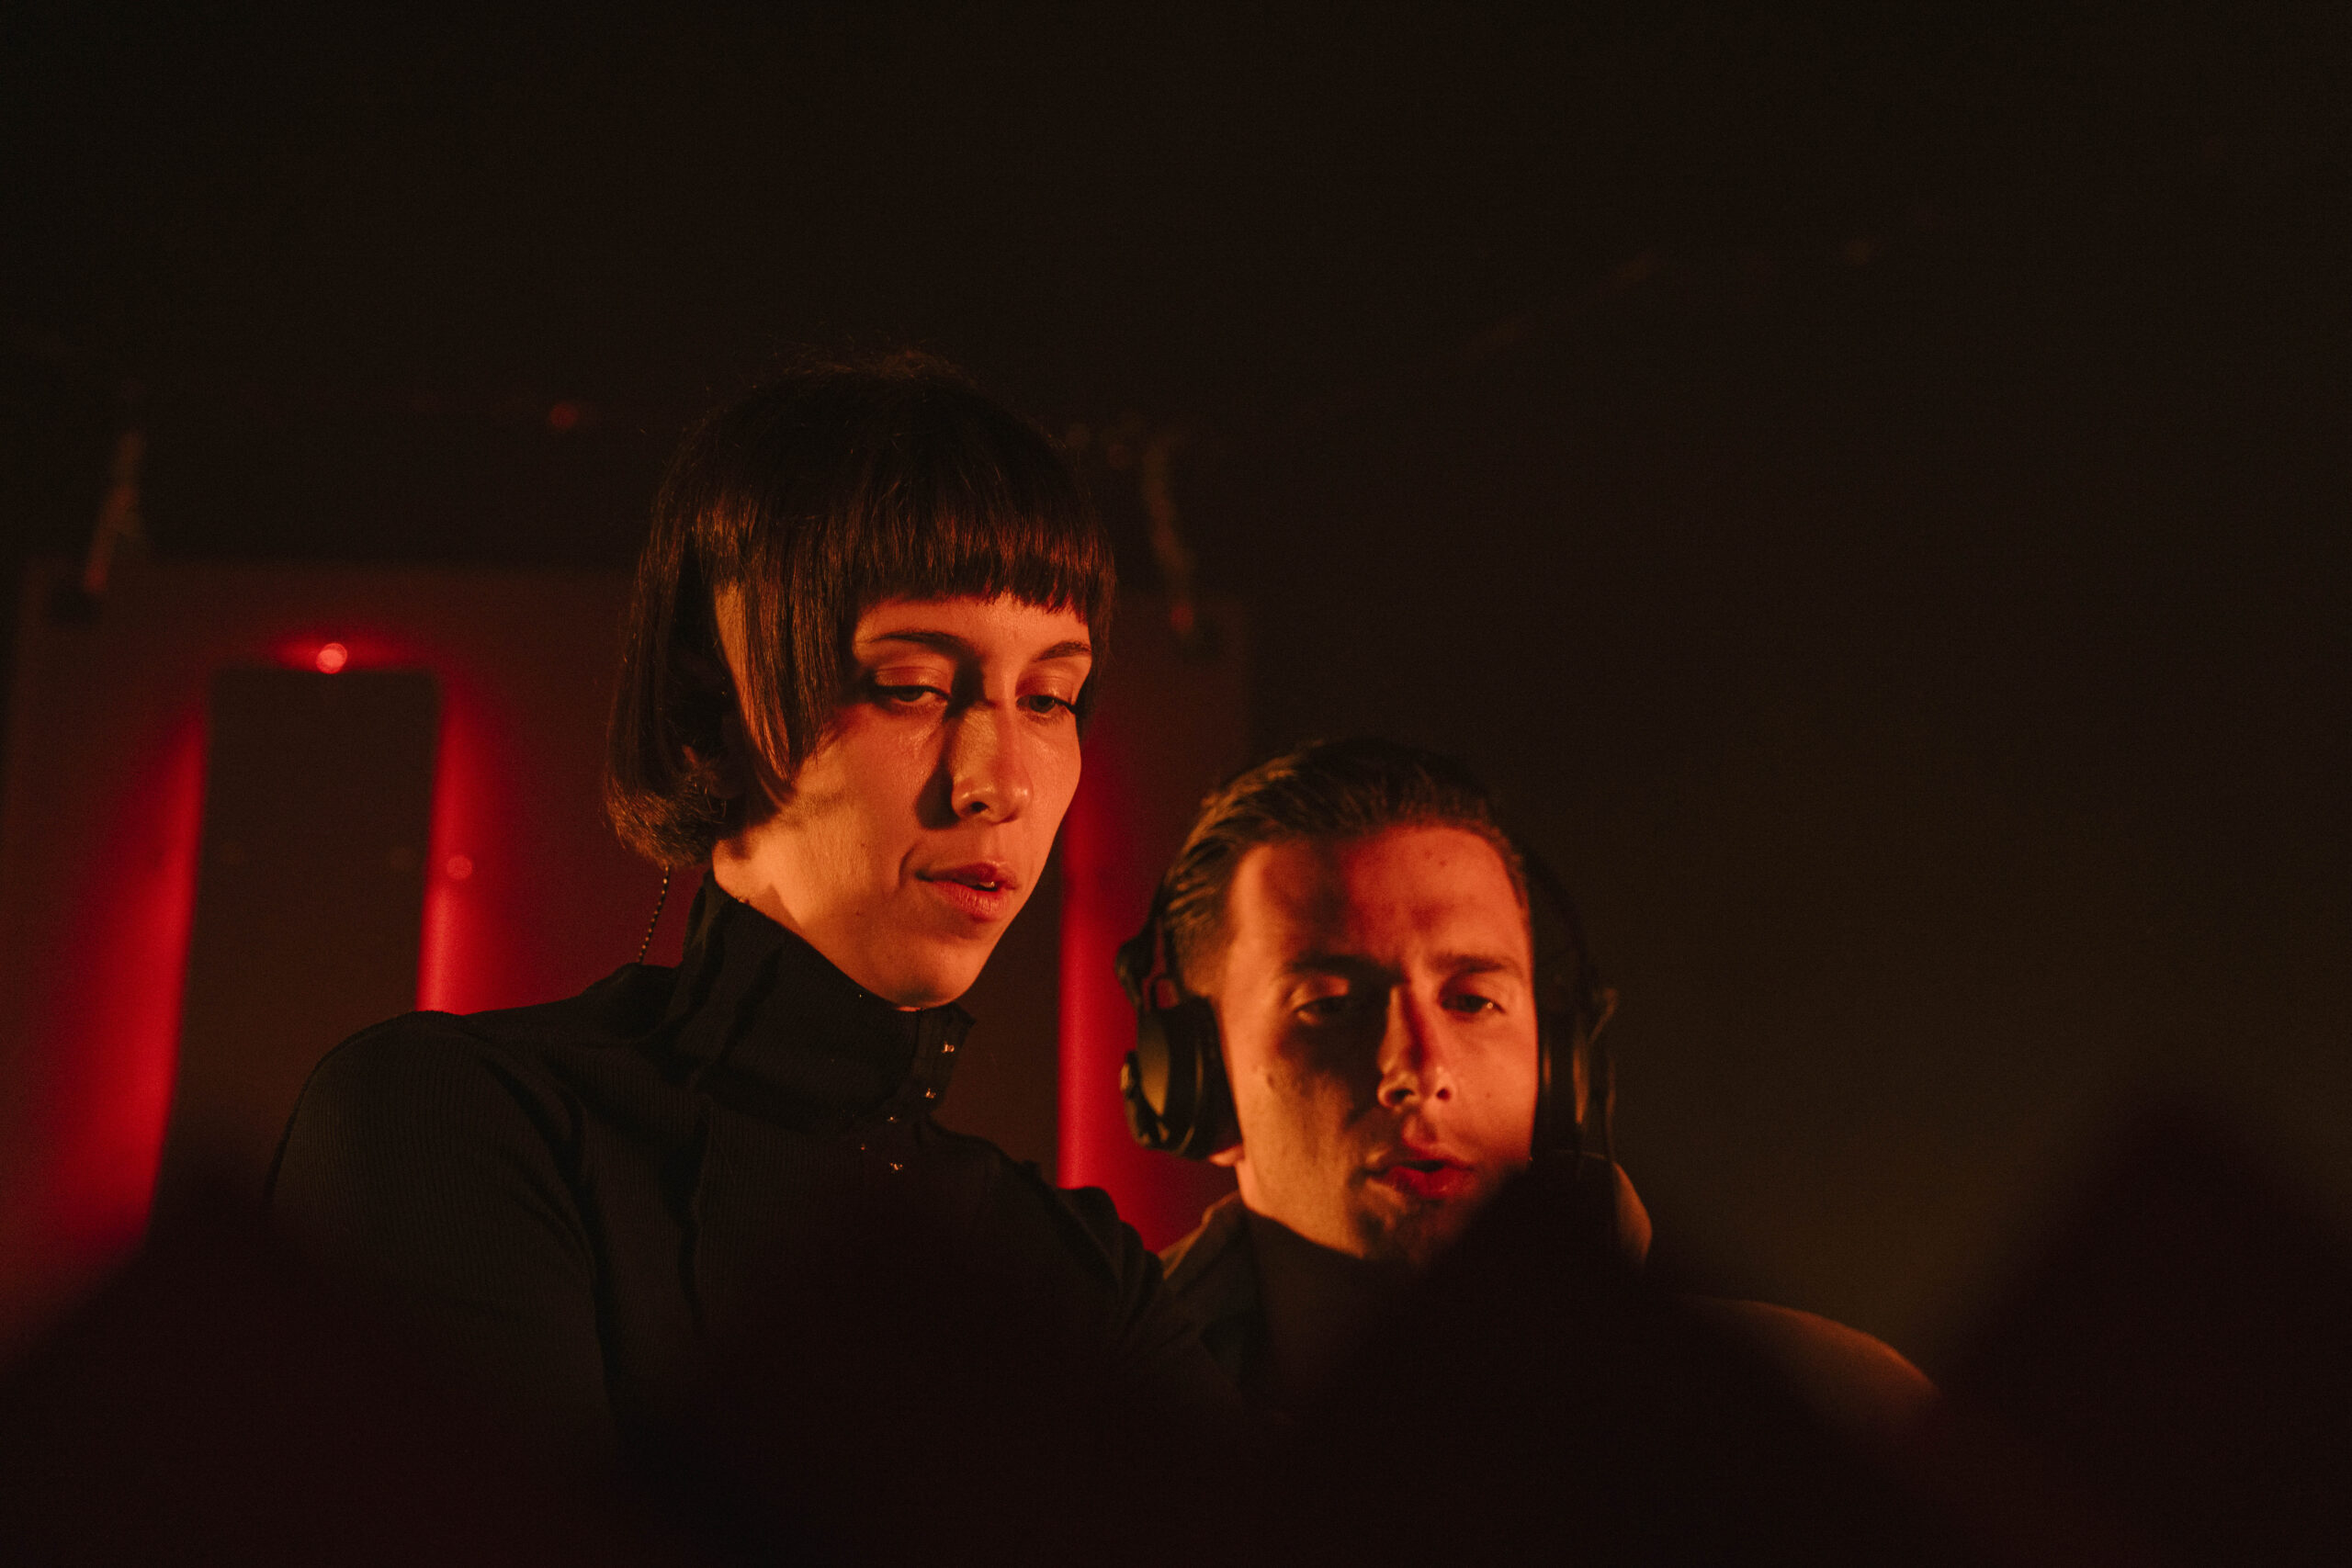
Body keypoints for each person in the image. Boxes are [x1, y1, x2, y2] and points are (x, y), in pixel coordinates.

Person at [266, 353, 1228, 1463]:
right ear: (706, 705)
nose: (999, 781)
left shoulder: (1077, 1271)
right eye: (912, 686)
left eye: (1051, 698)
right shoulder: (452, 1123)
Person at [1125, 738, 1936, 1439]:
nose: (1420, 1069)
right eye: (1331, 1005)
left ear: (1559, 1070)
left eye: (1473, 1000)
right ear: (1196, 1083)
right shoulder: (1096, 1449)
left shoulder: (1831, 1415)